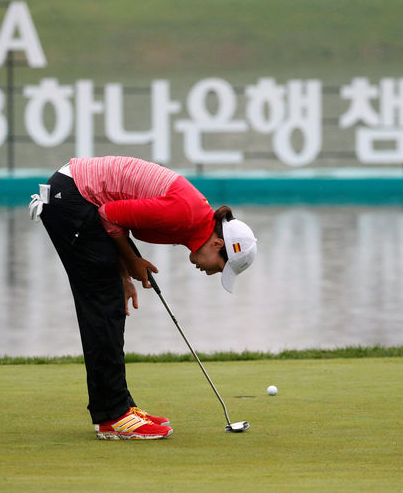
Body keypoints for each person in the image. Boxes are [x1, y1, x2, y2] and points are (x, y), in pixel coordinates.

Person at [28, 156, 257, 440]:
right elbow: (109, 215)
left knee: (108, 301)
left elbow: (118, 219)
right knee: (103, 306)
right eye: (221, 267)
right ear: (217, 243)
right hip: (74, 196)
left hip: (78, 195)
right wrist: (133, 262)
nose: (212, 273)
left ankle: (119, 407)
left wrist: (123, 275)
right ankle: (113, 416)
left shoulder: (193, 218)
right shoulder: (184, 214)